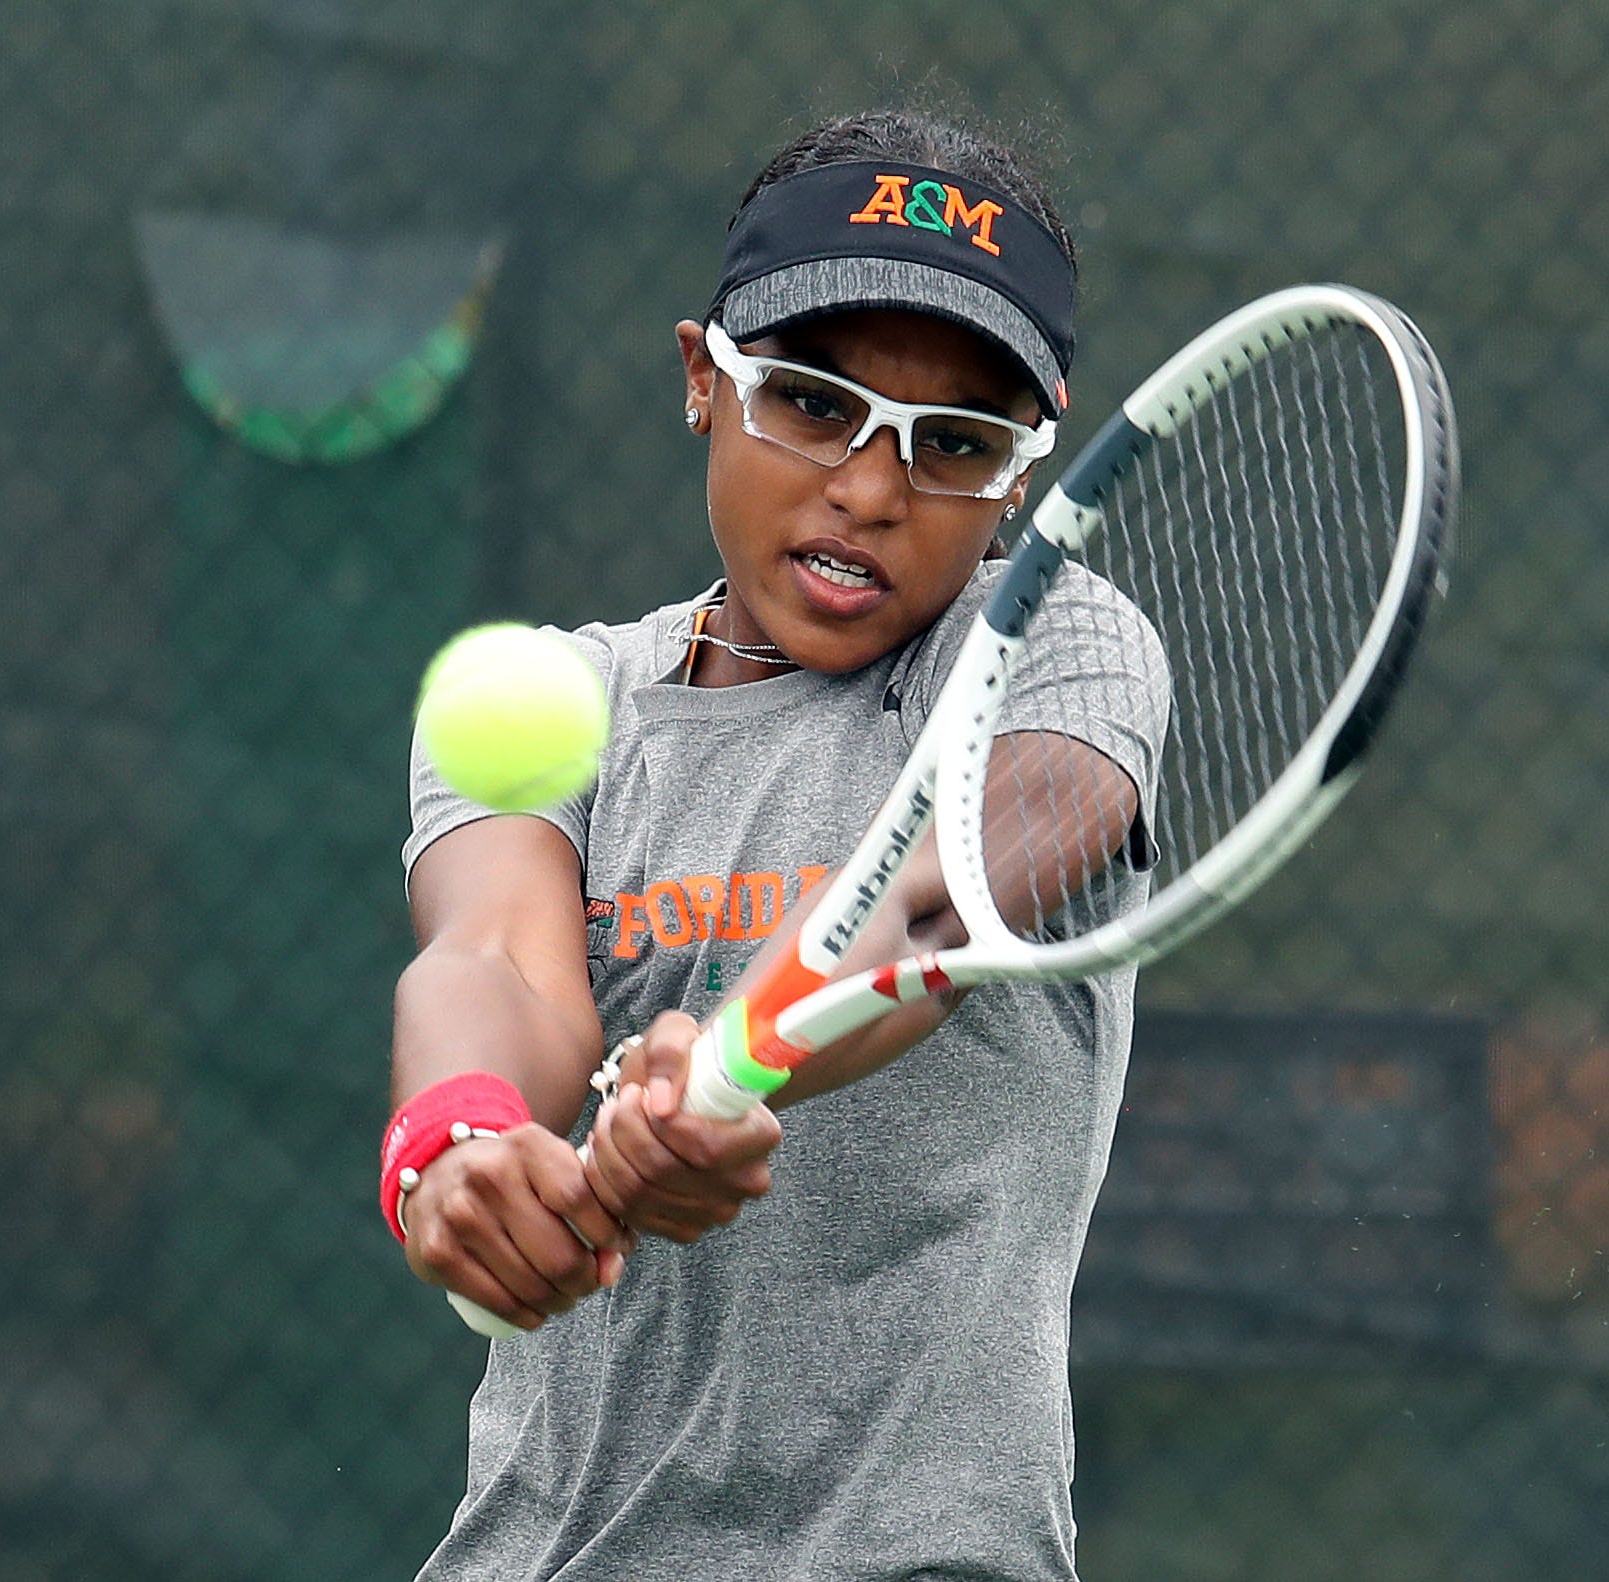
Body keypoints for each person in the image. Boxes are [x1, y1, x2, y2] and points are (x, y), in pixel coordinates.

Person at [386, 107, 1166, 1581]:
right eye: (813, 403)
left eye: (956, 443)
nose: (871, 487)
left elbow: (952, 899)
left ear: (1019, 477)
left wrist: (735, 1054)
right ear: (703, 378)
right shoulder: (551, 700)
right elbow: (492, 956)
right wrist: (463, 1136)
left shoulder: (1054, 652)